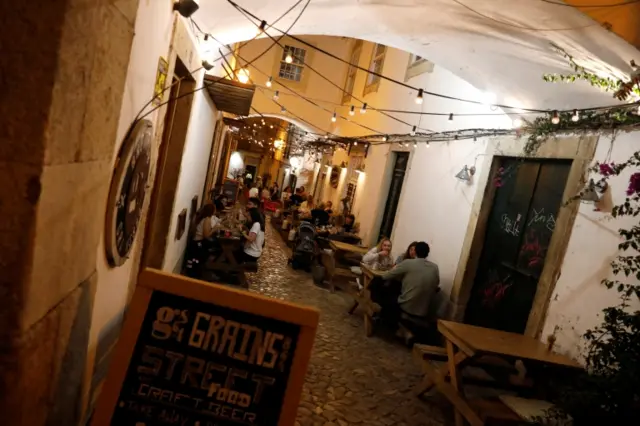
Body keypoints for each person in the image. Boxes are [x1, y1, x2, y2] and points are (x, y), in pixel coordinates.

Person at [381, 242, 440, 320]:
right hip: (423, 311)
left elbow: (385, 276)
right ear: (427, 253)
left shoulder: (408, 262)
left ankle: (383, 320)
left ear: (416, 251)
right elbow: (436, 284)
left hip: (407, 306)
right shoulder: (435, 267)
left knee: (384, 291)